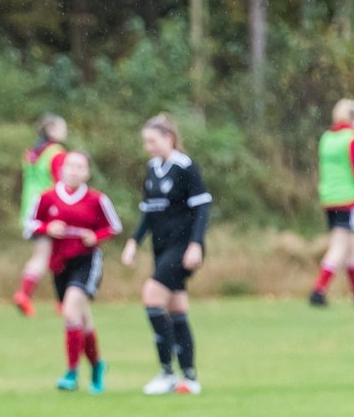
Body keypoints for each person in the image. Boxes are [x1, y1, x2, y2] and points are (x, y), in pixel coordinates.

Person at [121, 114, 212, 396]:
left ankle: (167, 372)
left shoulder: (185, 166)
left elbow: (202, 208)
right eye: (145, 141)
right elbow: (149, 212)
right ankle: (189, 377)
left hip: (183, 248)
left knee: (151, 296)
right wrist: (134, 242)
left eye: (152, 140)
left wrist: (196, 244)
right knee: (176, 309)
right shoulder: (152, 168)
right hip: (161, 248)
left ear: (169, 138)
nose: (148, 146)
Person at [23, 151, 121, 393]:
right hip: (60, 264)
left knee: (70, 312)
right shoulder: (46, 198)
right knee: (82, 319)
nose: (74, 171)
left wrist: (95, 236)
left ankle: (71, 372)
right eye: (70, 166)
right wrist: (48, 227)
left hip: (87, 262)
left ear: (87, 172)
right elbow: (29, 225)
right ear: (62, 169)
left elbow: (114, 226)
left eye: (80, 167)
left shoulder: (96, 199)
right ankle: (97, 366)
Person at [310, 99, 354, 307]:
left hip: (329, 199)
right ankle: (319, 289)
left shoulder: (327, 138)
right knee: (340, 245)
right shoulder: (352, 139)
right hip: (349, 199)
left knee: (353, 244)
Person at [12, 113, 68, 317]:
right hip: (50, 208)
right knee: (50, 256)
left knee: (45, 254)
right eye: (62, 127)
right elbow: (62, 181)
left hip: (30, 207)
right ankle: (56, 300)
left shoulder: (30, 153)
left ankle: (31, 295)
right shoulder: (56, 152)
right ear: (51, 130)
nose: (65, 131)